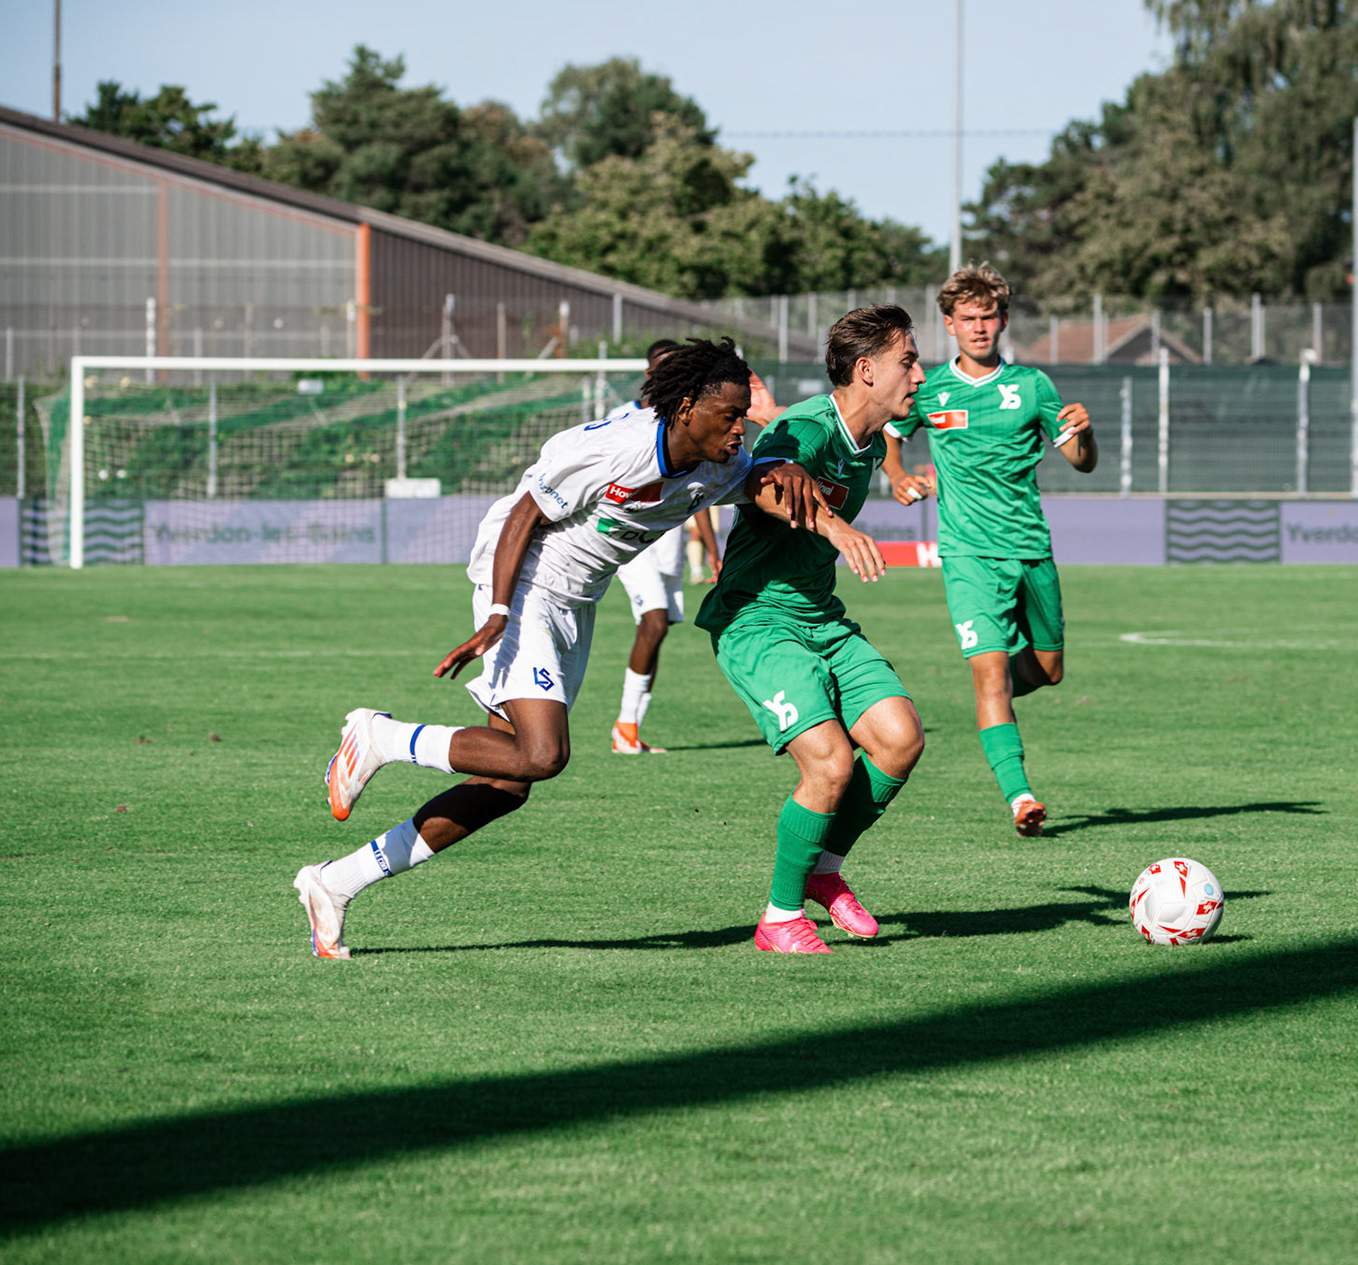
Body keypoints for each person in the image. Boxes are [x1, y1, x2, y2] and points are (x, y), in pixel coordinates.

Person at [293, 339, 819, 959]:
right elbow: (523, 516)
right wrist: (497, 611)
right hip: (524, 582)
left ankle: (337, 883)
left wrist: (780, 463)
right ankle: (382, 737)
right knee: (543, 754)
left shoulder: (722, 461)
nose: (741, 428)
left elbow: (759, 479)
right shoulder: (617, 448)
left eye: (743, 416)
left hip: (576, 602)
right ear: (685, 409)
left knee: (506, 783)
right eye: (730, 415)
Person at [696, 305, 926, 954]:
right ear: (866, 370)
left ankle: (824, 869)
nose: (918, 374)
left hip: (820, 617)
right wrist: (836, 527)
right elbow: (763, 480)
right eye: (908, 361)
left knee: (900, 738)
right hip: (757, 619)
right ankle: (779, 917)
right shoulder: (806, 427)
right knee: (830, 762)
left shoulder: (868, 438)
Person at [879, 265, 1095, 836]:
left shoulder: (1033, 386)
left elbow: (1081, 461)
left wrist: (1086, 433)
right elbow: (890, 439)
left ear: (1003, 320)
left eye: (988, 316)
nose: (979, 327)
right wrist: (897, 476)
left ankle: (992, 687)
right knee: (990, 677)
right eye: (967, 318)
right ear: (949, 324)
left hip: (1031, 548)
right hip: (968, 554)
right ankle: (1021, 798)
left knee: (1048, 671)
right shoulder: (930, 389)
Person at [610, 339, 724, 754]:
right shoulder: (621, 419)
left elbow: (698, 492)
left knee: (656, 631)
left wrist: (712, 550)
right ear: (649, 374)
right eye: (665, 367)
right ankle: (625, 728)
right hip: (630, 540)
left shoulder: (690, 421)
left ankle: (630, 730)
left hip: (668, 541)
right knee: (654, 621)